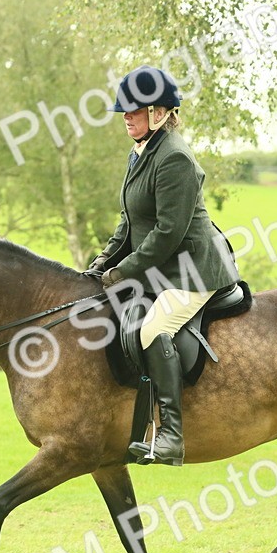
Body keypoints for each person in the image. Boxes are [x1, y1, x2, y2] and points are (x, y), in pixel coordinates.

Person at [85, 66, 240, 467]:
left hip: (193, 270)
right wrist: (103, 261)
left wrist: (123, 272)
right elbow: (130, 221)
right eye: (124, 110)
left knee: (153, 328)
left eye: (134, 110)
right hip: (163, 267)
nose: (126, 116)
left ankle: (171, 435)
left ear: (158, 113)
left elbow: (168, 232)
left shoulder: (174, 158)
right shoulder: (141, 152)